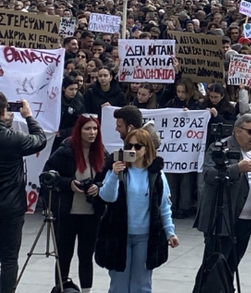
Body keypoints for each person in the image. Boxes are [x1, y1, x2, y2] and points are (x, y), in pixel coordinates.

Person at [96, 128, 179, 292]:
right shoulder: (118, 170)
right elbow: (106, 197)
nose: (132, 150)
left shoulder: (156, 174)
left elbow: (164, 206)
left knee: (141, 285)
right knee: (118, 285)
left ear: (147, 148)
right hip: (118, 234)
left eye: (138, 146)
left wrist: (170, 233)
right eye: (129, 146)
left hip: (146, 236)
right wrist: (113, 174)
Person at [43, 114, 107, 291]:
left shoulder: (102, 151)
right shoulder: (65, 151)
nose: (92, 132)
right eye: (87, 129)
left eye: (95, 129)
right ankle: (62, 289)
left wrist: (98, 186)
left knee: (86, 257)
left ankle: (86, 290)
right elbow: (47, 176)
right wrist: (68, 184)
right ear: (79, 131)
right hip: (66, 213)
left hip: (91, 214)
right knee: (63, 256)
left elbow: (108, 179)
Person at [195, 113, 251, 271]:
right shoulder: (220, 147)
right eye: (250, 132)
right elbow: (208, 174)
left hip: (248, 220)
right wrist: (236, 169)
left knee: (231, 266)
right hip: (224, 219)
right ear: (237, 131)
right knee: (213, 267)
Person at [0, 98, 47, 293]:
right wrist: (29, 116)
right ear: (4, 110)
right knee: (9, 257)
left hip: (10, 205)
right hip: (11, 205)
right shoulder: (11, 138)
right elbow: (40, 139)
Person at [56, 76, 86, 152]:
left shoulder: (79, 101)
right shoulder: (56, 101)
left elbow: (80, 123)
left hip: (70, 136)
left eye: (76, 89)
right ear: (63, 88)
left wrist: (62, 133)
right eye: (71, 89)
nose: (74, 92)